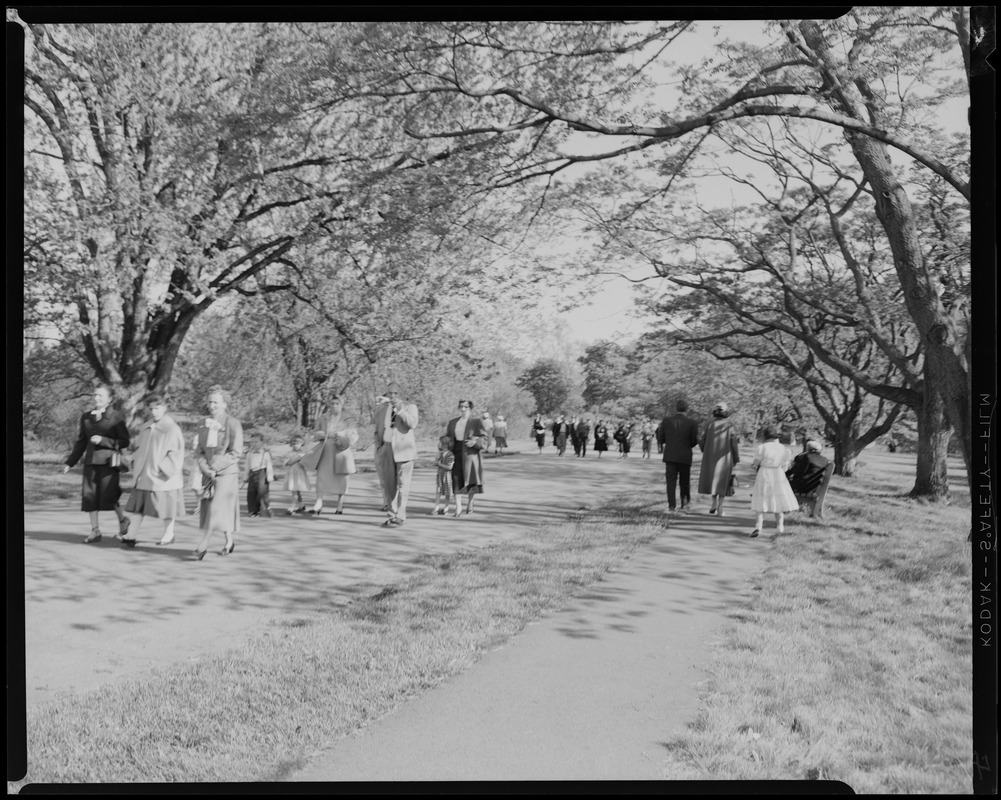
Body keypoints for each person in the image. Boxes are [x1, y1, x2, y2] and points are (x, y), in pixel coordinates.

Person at [63, 383, 132, 543]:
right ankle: (95, 531)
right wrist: (70, 463)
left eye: (100, 395)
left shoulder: (116, 416)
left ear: (109, 399)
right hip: (90, 462)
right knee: (89, 497)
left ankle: (123, 520)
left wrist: (104, 440)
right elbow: (81, 442)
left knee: (110, 495)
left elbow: (124, 441)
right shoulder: (86, 416)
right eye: (95, 395)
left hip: (109, 463)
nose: (96, 398)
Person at [121, 394, 186, 547]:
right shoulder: (146, 426)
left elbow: (177, 453)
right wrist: (132, 460)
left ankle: (169, 534)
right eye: (151, 409)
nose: (154, 412)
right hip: (144, 475)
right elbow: (141, 448)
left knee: (166, 509)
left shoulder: (171, 428)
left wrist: (162, 468)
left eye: (157, 408)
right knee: (138, 507)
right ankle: (131, 535)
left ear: (164, 408)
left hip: (163, 478)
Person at [191, 385, 243, 559]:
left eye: (216, 402)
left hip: (226, 474)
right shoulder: (202, 423)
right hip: (209, 474)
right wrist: (205, 468)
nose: (212, 405)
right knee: (217, 510)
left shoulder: (233, 423)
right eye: (210, 402)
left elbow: (235, 453)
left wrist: (215, 467)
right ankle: (229, 541)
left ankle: (203, 544)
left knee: (216, 509)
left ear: (225, 404)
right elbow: (199, 451)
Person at [303, 395, 358, 516]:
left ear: (341, 404)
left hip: (341, 451)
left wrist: (342, 435)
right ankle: (319, 502)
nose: (334, 406)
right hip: (326, 450)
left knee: (342, 478)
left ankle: (340, 504)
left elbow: (354, 435)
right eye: (332, 403)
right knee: (322, 475)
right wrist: (319, 434)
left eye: (337, 403)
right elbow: (315, 432)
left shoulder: (348, 418)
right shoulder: (324, 417)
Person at [374, 383, 419, 527]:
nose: (393, 396)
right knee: (389, 484)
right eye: (390, 393)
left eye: (396, 393)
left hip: (404, 449)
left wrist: (400, 410)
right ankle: (392, 514)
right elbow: (378, 429)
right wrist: (379, 447)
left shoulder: (410, 407)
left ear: (401, 395)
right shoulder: (382, 410)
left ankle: (400, 514)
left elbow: (412, 423)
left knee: (403, 484)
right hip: (386, 449)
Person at [750, 426, 799, 537]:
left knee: (760, 499)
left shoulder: (762, 447)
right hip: (778, 473)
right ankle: (780, 527)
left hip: (764, 473)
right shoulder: (783, 448)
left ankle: (758, 527)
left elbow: (756, 463)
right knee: (778, 500)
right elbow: (786, 467)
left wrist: (754, 466)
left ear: (765, 436)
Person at [656, 399, 700, 513]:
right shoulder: (692, 423)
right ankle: (684, 504)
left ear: (676, 409)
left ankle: (671, 506)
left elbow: (660, 437)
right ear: (687, 409)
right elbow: (694, 440)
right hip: (685, 455)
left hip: (670, 455)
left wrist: (669, 442)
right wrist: (687, 445)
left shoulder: (667, 421)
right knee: (684, 481)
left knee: (671, 481)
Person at [697, 401, 740, 517]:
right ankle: (720, 507)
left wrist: (704, 449)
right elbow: (734, 443)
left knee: (712, 479)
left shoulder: (708, 424)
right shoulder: (729, 425)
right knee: (722, 481)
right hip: (725, 457)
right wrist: (736, 458)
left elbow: (700, 438)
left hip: (709, 456)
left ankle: (713, 503)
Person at [446, 399, 488, 515]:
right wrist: (443, 449)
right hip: (456, 452)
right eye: (461, 407)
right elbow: (448, 438)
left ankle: (470, 500)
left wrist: (475, 443)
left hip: (470, 453)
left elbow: (485, 438)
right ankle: (458, 507)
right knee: (456, 478)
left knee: (470, 479)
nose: (463, 409)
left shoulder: (476, 421)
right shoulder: (453, 422)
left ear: (470, 408)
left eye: (466, 407)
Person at [244, 432, 275, 518]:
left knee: (262, 493)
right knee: (251, 492)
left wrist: (269, 476)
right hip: (252, 473)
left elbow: (269, 465)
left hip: (262, 473)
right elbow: (247, 465)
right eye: (252, 442)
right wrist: (246, 476)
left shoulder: (265, 453)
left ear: (262, 443)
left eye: (256, 442)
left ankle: (267, 507)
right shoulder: (249, 454)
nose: (253, 444)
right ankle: (254, 511)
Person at [282, 434, 311, 515]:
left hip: (299, 474)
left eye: (298, 444)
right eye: (294, 444)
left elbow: (307, 463)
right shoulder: (289, 453)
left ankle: (292, 507)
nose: (295, 445)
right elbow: (288, 463)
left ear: (302, 444)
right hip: (291, 473)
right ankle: (301, 505)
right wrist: (298, 457)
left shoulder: (303, 454)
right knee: (295, 491)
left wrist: (303, 456)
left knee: (295, 491)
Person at [429, 434, 457, 515]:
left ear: (445, 445)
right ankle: (436, 507)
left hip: (447, 476)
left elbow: (449, 467)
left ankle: (446, 508)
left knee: (447, 493)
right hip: (440, 475)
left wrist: (439, 464)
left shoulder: (450, 455)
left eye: (440, 443)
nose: (439, 444)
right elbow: (436, 462)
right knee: (438, 491)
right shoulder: (440, 454)